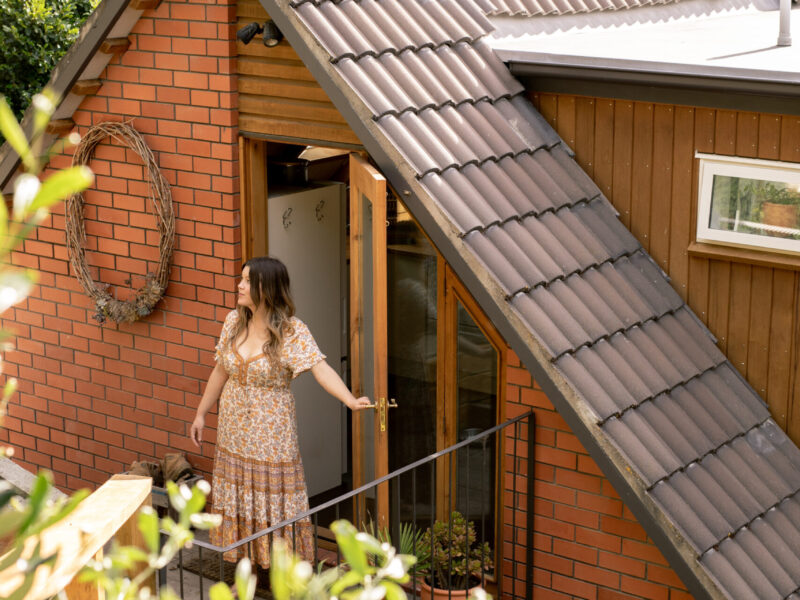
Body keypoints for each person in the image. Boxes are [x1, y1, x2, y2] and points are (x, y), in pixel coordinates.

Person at [190, 256, 371, 571]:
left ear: (266, 288)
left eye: (247, 280)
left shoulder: (291, 331)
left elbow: (320, 368)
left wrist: (351, 401)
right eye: (242, 279)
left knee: (272, 498)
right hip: (234, 430)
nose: (240, 285)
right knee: (241, 494)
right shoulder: (233, 322)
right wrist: (201, 413)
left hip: (272, 432)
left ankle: (280, 572)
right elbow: (220, 371)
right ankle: (246, 569)